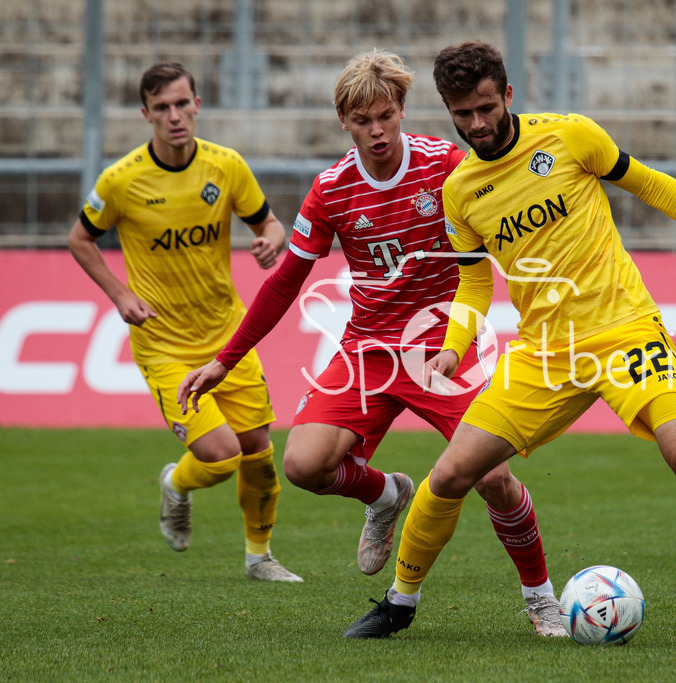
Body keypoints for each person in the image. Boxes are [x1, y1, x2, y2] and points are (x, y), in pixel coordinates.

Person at [343, 40, 676, 651]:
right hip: (542, 354)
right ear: (449, 112)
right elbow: (474, 279)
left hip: (624, 332)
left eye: (485, 107)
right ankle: (401, 602)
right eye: (462, 114)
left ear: (507, 95)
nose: (477, 124)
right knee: (452, 473)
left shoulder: (569, 137)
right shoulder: (461, 190)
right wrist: (454, 344)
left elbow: (650, 183)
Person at [176, 50, 567, 636]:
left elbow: (497, 231)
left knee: (492, 478)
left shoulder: (445, 165)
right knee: (305, 464)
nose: (377, 130)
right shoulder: (331, 189)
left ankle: (541, 600)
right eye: (363, 121)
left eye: (386, 116)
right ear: (344, 121)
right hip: (369, 348)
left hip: (441, 345)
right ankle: (385, 494)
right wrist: (224, 361)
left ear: (402, 110)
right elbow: (286, 281)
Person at [68, 62, 301, 582]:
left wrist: (272, 237)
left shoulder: (225, 166)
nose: (175, 116)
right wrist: (120, 293)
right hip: (164, 343)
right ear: (145, 114)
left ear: (197, 104)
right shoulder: (122, 180)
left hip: (226, 335)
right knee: (219, 456)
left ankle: (259, 557)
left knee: (259, 448)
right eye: (163, 108)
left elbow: (268, 219)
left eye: (182, 104)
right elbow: (81, 238)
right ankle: (177, 483)